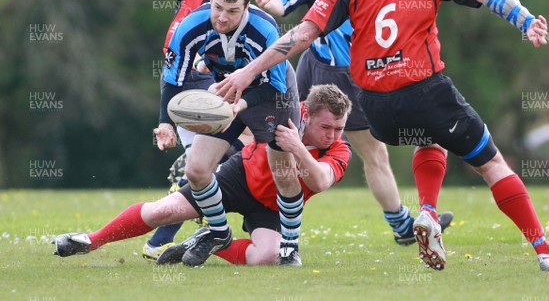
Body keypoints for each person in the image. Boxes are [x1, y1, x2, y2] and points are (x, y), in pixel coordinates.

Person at [214, 0, 549, 272]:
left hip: (375, 106)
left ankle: (427, 213)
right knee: (492, 164)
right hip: (425, 90)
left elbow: (300, 36)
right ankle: (545, 249)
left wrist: (247, 72)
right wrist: (527, 21)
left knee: (431, 139)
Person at [253, 0, 452, 245]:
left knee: (274, 132)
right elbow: (283, 3)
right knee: (373, 153)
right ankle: (402, 226)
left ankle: (241, 199)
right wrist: (268, 1)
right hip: (338, 74)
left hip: (313, 62)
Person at [145, 0, 312, 260]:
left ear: (246, 7)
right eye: (217, 8)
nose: (221, 16)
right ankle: (217, 231)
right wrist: (166, 118)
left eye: (231, 11)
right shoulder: (200, 5)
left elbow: (274, 87)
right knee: (198, 168)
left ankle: (289, 244)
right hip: (207, 73)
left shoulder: (264, 27)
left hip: (267, 93)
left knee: (279, 168)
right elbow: (174, 66)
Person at [53, 84, 352, 267]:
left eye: (339, 128)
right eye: (327, 128)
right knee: (164, 211)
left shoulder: (340, 149)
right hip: (238, 177)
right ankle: (91, 241)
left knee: (267, 258)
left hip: (274, 207)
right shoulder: (284, 110)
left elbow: (321, 180)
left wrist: (297, 147)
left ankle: (204, 241)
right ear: (307, 114)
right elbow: (246, 121)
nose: (333, 135)